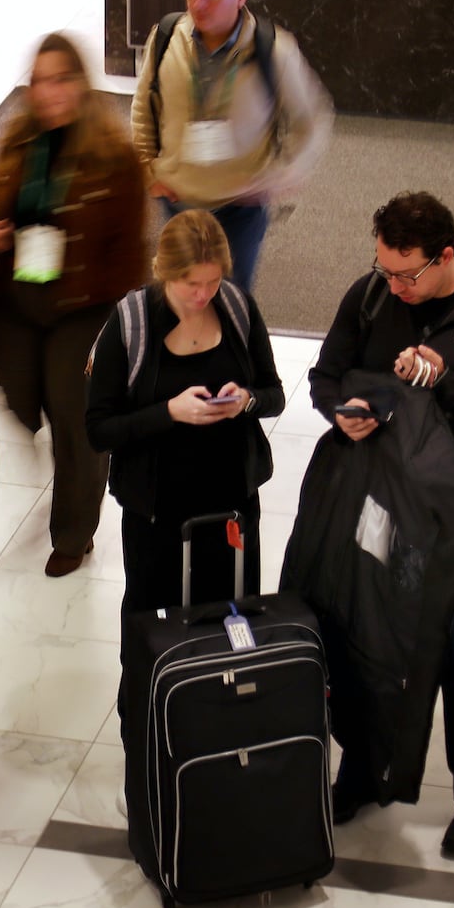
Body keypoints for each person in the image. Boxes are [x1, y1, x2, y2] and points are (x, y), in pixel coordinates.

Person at [308, 191, 454, 857]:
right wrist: (341, 410)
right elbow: (325, 373)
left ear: (445, 257)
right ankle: (362, 771)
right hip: (379, 504)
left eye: (408, 273)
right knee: (369, 642)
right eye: (385, 269)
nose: (396, 284)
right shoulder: (374, 295)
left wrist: (447, 379)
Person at [0, 32, 146, 578]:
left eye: (60, 79)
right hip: (22, 294)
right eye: (40, 80)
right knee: (20, 395)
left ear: (81, 84)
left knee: (75, 415)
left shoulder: (114, 157)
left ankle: (74, 532)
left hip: (84, 305)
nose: (48, 92)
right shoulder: (20, 141)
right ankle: (64, 453)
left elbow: (130, 253)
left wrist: (108, 319)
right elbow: (1, 211)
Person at [85, 209, 284, 615]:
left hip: (232, 502)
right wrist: (169, 413)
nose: (203, 295)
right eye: (191, 283)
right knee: (155, 630)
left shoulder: (237, 306)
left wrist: (245, 400)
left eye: (213, 282)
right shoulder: (130, 323)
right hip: (157, 513)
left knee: (232, 622)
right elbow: (99, 430)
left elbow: (273, 394)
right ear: (164, 272)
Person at [130, 0, 333, 294]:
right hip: (177, 199)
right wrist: (148, 171)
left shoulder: (274, 51)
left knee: (231, 304)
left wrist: (276, 179)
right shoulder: (165, 38)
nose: (197, 4)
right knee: (179, 297)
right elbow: (142, 109)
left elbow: (311, 122)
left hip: (239, 210)